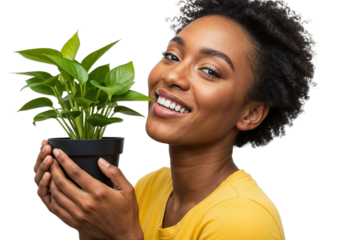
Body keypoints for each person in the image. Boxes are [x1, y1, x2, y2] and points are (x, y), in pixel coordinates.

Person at [33, 0, 319, 239]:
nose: (171, 76)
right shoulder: (152, 187)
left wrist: (123, 234)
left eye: (209, 71)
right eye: (171, 55)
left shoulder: (243, 221)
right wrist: (89, 223)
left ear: (250, 114)